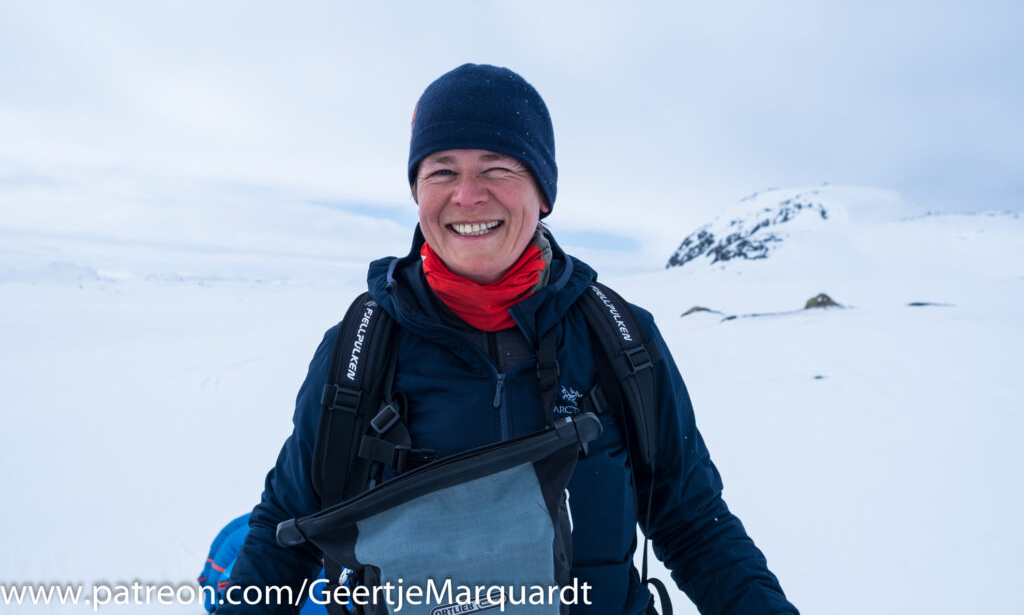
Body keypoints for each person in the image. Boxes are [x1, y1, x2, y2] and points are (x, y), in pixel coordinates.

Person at [221, 64, 798, 614]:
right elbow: (286, 533)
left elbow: (692, 521)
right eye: (441, 171)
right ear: (417, 193)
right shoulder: (359, 350)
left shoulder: (620, 339)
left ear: (542, 192)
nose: (468, 196)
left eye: (497, 167)